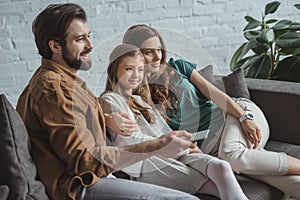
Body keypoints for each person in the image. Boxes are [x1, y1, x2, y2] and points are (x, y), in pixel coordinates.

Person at [15, 4, 205, 200]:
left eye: (89, 36)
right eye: (80, 39)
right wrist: (156, 146)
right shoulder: (54, 89)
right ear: (55, 46)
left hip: (97, 177)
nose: (90, 45)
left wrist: (104, 118)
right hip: (77, 187)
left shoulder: (66, 81)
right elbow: (85, 162)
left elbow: (73, 121)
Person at [103, 24, 300, 198]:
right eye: (148, 52)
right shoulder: (134, 95)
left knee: (234, 157)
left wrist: (243, 116)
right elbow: (96, 105)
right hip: (211, 147)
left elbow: (215, 93)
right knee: (285, 182)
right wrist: (104, 117)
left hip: (234, 117)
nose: (157, 57)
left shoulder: (178, 67)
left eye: (159, 50)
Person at [100, 44, 249, 200]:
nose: (136, 75)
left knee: (221, 166)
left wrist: (187, 145)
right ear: (114, 70)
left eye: (140, 69)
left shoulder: (140, 100)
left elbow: (163, 132)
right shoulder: (110, 100)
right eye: (129, 69)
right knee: (215, 188)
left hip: (170, 153)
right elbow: (130, 140)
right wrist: (173, 145)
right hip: (147, 164)